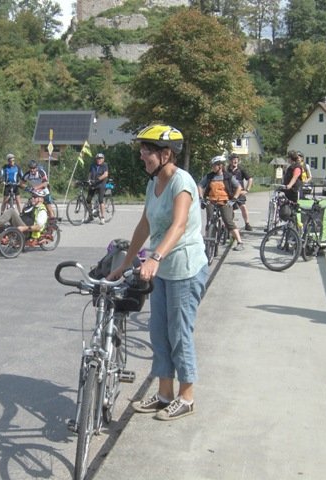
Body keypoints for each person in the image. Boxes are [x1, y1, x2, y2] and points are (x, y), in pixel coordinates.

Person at [108, 123, 208, 422]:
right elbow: (144, 225)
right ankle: (164, 394)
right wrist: (125, 263)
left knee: (179, 333)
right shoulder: (153, 184)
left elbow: (179, 225)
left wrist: (154, 257)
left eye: (147, 151)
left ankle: (186, 397)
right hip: (162, 271)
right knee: (158, 331)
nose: (142, 156)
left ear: (166, 154)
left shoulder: (182, 182)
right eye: (141, 150)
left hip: (185, 270)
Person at [198, 155, 245, 251]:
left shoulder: (228, 176)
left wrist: (234, 199)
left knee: (228, 222)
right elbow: (200, 185)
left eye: (214, 165)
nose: (212, 167)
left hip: (225, 201)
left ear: (220, 166)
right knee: (209, 221)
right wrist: (201, 197)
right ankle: (207, 241)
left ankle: (240, 242)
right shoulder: (209, 176)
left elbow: (239, 187)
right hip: (211, 201)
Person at [227, 153, 253, 231]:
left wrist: (247, 190)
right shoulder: (226, 170)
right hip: (230, 193)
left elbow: (250, 179)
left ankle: (247, 224)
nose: (235, 161)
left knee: (243, 207)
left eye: (236, 160)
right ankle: (230, 226)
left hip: (240, 192)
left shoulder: (241, 170)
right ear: (230, 161)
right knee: (229, 209)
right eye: (233, 160)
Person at [86, 153, 109, 224]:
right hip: (93, 184)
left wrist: (98, 179)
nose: (99, 160)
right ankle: (90, 216)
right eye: (98, 158)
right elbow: (90, 174)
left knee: (100, 200)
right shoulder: (92, 165)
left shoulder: (104, 165)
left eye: (100, 158)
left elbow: (105, 174)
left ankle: (102, 218)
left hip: (101, 184)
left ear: (103, 159)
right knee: (88, 200)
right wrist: (88, 180)